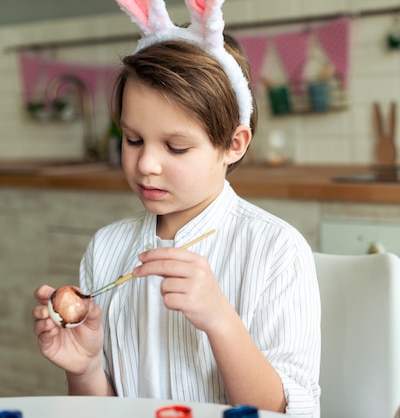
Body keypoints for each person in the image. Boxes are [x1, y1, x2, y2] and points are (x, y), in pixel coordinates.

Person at [31, 0, 321, 416]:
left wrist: (221, 321)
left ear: (232, 145)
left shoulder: (276, 250)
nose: (146, 164)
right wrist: (85, 367)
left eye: (176, 146)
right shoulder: (106, 248)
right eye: (132, 140)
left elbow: (289, 411)